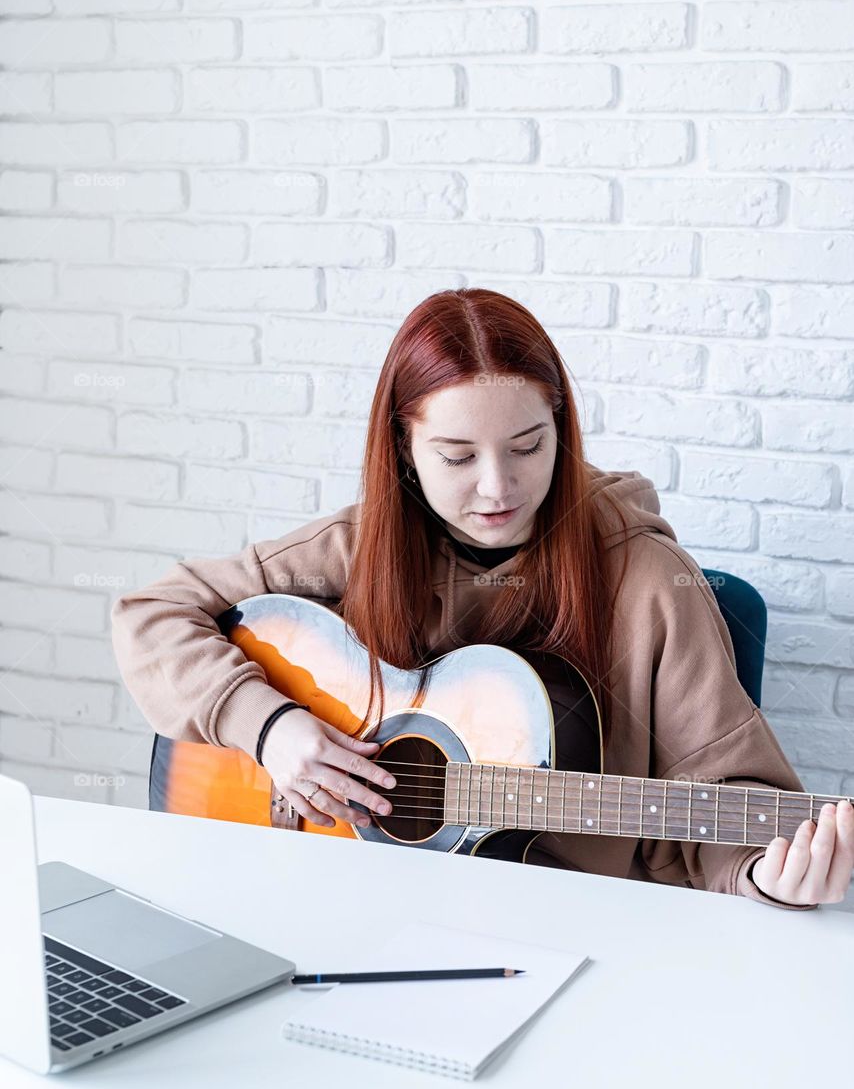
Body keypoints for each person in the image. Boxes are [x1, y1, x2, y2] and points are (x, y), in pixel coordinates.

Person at [111, 288, 854, 911]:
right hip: (359, 900)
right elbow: (151, 615)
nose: (497, 487)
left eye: (527, 446)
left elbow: (731, 805)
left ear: (560, 429)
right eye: (458, 457)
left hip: (590, 930)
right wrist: (270, 729)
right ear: (404, 448)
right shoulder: (363, 546)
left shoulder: (652, 583)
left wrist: (767, 875)